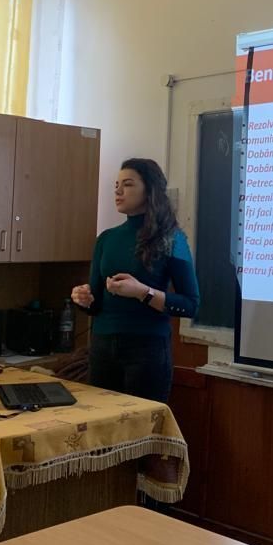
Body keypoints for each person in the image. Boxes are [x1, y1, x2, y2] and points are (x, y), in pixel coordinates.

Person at [71, 158, 199, 402]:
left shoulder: (174, 240)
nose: (118, 191)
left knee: (140, 424)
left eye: (127, 184)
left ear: (149, 190)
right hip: (102, 348)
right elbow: (95, 305)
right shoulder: (106, 239)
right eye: (116, 185)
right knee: (102, 422)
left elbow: (190, 305)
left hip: (147, 351)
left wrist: (142, 292)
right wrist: (83, 298)